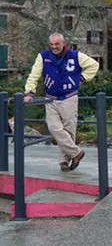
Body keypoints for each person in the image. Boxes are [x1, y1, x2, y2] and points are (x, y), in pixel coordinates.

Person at [24, 33, 99, 172]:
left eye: (57, 44)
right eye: (51, 44)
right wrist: (29, 92)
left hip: (69, 97)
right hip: (51, 98)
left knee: (69, 130)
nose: (54, 47)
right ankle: (76, 153)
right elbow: (34, 74)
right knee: (54, 128)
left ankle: (64, 161)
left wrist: (81, 78)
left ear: (63, 43)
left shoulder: (76, 55)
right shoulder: (43, 56)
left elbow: (94, 65)